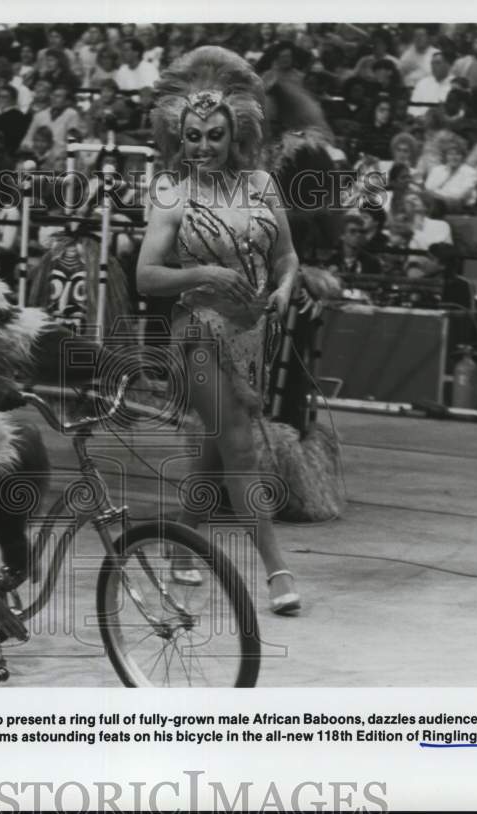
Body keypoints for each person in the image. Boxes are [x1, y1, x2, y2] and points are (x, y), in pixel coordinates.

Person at [137, 46, 338, 616]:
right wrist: (202, 272)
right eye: (193, 135)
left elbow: (287, 256)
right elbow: (146, 276)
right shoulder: (173, 194)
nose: (203, 146)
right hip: (196, 332)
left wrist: (282, 286)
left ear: (234, 136)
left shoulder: (260, 186)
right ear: (179, 137)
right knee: (243, 449)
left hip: (250, 333)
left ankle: (180, 541)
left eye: (214, 136)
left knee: (212, 447)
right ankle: (278, 573)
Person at [423, 135, 477, 212]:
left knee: (436, 203)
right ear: (446, 156)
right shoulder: (437, 170)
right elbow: (428, 188)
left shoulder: (470, 172)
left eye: (457, 154)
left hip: (457, 206)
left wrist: (438, 195)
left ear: (462, 156)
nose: (454, 157)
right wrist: (437, 196)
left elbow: (459, 196)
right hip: (435, 201)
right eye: (450, 154)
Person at [407, 49, 453, 118]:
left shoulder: (454, 84)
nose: (433, 66)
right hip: (421, 123)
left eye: (437, 63)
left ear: (448, 65)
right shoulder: (422, 84)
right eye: (432, 63)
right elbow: (412, 110)